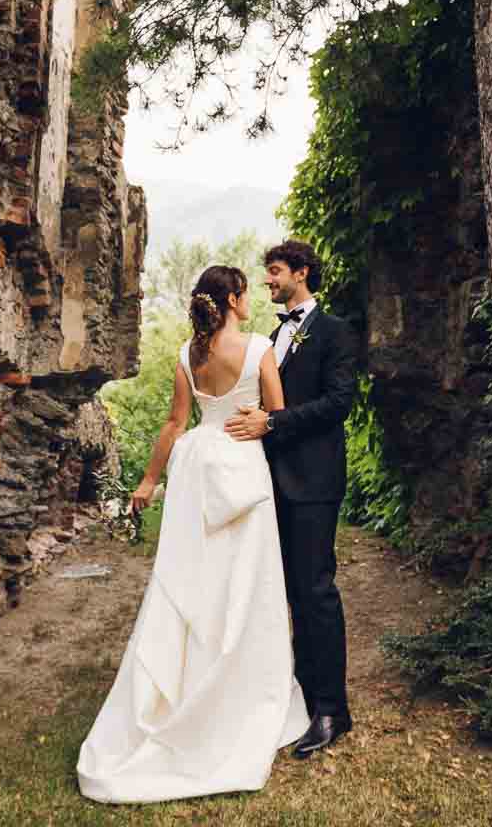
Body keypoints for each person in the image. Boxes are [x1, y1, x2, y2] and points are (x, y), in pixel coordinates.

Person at [75, 265, 309, 803]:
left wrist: (148, 480)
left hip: (196, 465)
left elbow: (174, 423)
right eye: (244, 292)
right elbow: (277, 416)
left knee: (192, 579)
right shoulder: (258, 349)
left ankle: (181, 684)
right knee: (245, 584)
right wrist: (262, 421)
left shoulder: (187, 353)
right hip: (242, 463)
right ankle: (240, 691)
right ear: (232, 299)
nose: (250, 298)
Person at [224, 239, 355, 758]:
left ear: (301, 272)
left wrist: (273, 422)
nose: (268, 280)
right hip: (270, 482)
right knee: (284, 592)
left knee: (315, 591)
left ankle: (332, 711)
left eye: (275, 271)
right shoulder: (274, 336)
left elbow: (338, 404)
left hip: (314, 481)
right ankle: (298, 693)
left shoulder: (335, 331)